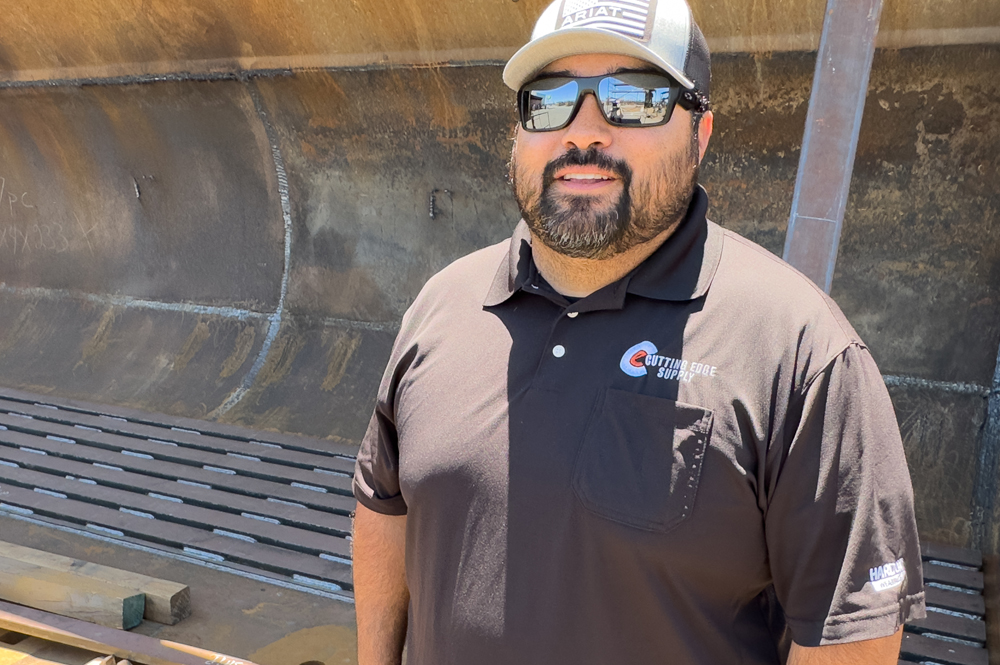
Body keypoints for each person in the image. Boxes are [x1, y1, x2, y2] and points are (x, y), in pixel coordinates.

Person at [352, 0, 926, 662]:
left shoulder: (802, 355)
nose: (584, 131)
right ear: (518, 131)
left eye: (634, 98)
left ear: (700, 132)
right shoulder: (441, 307)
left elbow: (849, 632)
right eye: (551, 99)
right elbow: (383, 503)